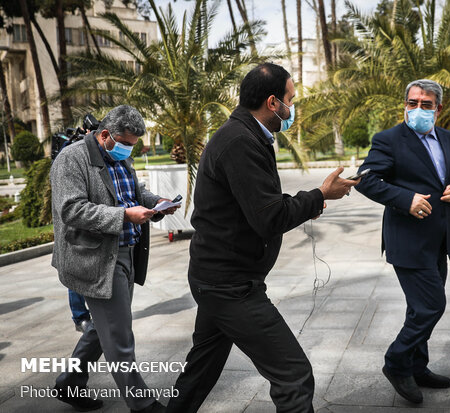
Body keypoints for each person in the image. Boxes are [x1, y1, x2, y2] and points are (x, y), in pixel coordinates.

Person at [167, 63, 358, 413]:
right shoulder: (239, 141)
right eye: (291, 99)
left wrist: (308, 204)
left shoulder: (247, 134)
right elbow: (268, 218)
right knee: (293, 375)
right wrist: (319, 194)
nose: (293, 108)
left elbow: (256, 206)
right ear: (273, 103)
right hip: (229, 286)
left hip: (218, 278)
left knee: (200, 371)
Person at [50, 105, 179, 412]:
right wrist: (123, 215)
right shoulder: (71, 159)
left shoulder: (119, 156)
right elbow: (72, 210)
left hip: (127, 253)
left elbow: (133, 193)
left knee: (105, 324)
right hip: (96, 258)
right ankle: (142, 403)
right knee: (119, 335)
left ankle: (69, 382)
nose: (129, 150)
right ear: (105, 134)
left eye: (133, 144)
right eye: (126, 143)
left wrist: (157, 203)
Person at [355, 79, 450, 404]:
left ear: (439, 108)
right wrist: (405, 199)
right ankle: (396, 363)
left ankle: (417, 367)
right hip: (408, 240)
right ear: (404, 104)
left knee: (418, 308)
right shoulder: (388, 139)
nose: (418, 109)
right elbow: (365, 179)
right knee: (431, 306)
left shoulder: (448, 138)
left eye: (426, 104)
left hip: (441, 238)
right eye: (412, 103)